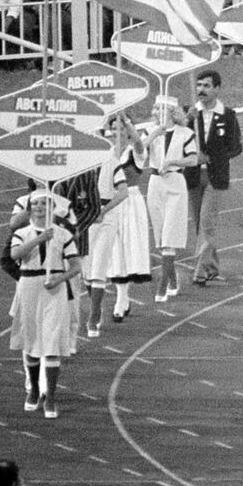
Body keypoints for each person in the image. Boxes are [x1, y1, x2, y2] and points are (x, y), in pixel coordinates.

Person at [7, 191, 80, 418]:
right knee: (31, 339)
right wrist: (40, 239)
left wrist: (58, 279)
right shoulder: (22, 233)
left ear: (51, 208)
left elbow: (76, 267)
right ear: (30, 208)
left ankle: (50, 397)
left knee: (52, 340)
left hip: (54, 288)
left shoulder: (63, 234)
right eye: (35, 203)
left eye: (43, 203)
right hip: (29, 285)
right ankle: (35, 390)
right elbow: (15, 254)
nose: (39, 207)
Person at [83, 115, 152, 333]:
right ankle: (111, 299)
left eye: (121, 128)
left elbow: (139, 143)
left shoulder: (134, 151)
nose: (117, 132)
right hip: (106, 206)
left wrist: (128, 125)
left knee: (127, 252)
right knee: (111, 255)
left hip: (129, 203)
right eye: (113, 129)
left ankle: (122, 299)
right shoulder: (102, 154)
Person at [188, 70, 241, 286]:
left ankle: (199, 272)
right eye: (199, 85)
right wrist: (184, 122)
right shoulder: (190, 114)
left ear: (217, 89)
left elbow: (236, 147)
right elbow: (176, 143)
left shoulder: (228, 115)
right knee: (200, 224)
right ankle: (212, 266)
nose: (201, 89)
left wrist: (212, 157)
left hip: (215, 176)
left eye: (207, 85)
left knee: (207, 225)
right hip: (193, 175)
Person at [144, 96, 199, 303]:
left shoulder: (185, 133)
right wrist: (153, 134)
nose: (157, 112)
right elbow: (139, 151)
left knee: (169, 236)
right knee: (160, 236)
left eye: (162, 109)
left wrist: (173, 161)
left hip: (175, 183)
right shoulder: (150, 131)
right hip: (155, 184)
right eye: (156, 108)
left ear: (172, 111)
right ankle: (173, 279)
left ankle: (163, 286)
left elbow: (193, 159)